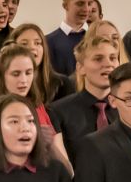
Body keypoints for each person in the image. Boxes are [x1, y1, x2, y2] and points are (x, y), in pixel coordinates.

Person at [0, 45, 70, 172]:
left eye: (28, 73)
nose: (24, 80)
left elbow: (68, 172)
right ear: (2, 76)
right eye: (16, 74)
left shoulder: (47, 112)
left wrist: (50, 145)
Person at [47, 34, 120, 165]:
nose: (108, 64)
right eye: (98, 59)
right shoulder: (57, 112)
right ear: (81, 68)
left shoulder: (128, 108)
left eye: (113, 58)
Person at [44, 0, 96, 76]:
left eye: (89, 3)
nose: (86, 9)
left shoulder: (97, 37)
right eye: (80, 3)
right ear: (65, 6)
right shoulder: (48, 42)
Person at [13, 23, 73, 103]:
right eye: (24, 44)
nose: (32, 47)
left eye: (37, 43)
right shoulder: (8, 84)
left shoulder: (62, 84)